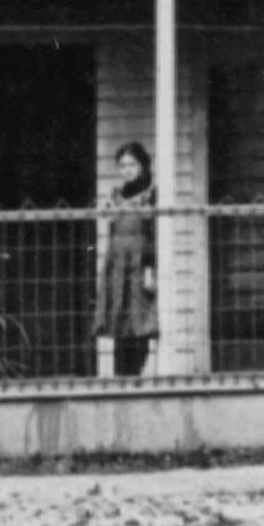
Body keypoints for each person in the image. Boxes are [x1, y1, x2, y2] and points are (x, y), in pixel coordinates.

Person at [93, 141, 159, 377]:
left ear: (142, 165)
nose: (127, 170)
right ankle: (121, 377)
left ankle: (135, 376)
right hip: (118, 263)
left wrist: (150, 268)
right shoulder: (116, 195)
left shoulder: (151, 194)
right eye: (122, 166)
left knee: (138, 321)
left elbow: (153, 232)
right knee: (119, 320)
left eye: (132, 164)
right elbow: (112, 232)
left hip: (140, 262)